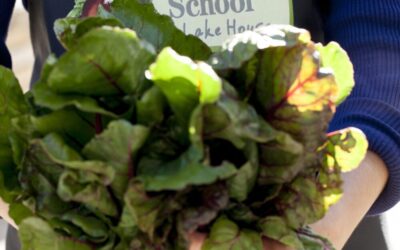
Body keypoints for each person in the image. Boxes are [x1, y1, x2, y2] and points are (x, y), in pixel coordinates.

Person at [1, 0, 399, 249]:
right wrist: (47, 206)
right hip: (80, 205)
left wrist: (332, 217)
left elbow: (382, 27)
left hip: (322, 206)